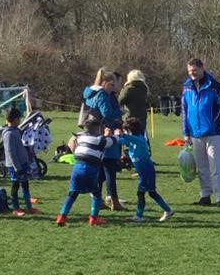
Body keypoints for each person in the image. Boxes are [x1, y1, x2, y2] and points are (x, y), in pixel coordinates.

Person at [181, 58, 220, 206]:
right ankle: (205, 195)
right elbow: (184, 110)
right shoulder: (187, 87)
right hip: (195, 133)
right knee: (201, 167)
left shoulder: (215, 86)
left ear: (202, 68)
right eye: (189, 71)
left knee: (215, 166)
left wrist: (214, 123)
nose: (192, 74)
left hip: (212, 133)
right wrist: (185, 132)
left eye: (194, 70)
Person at [54, 114, 115, 226]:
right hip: (90, 169)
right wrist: (112, 135)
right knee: (96, 194)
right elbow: (111, 141)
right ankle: (93, 218)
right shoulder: (99, 140)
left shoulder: (81, 137)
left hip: (77, 168)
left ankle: (62, 216)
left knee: (72, 194)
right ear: (97, 129)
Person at [82, 69, 125, 211]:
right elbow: (106, 113)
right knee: (109, 168)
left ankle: (97, 199)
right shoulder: (101, 94)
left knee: (100, 170)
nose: (113, 88)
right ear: (104, 83)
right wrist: (120, 112)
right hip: (105, 132)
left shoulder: (90, 93)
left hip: (93, 133)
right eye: (111, 85)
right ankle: (114, 201)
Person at [119, 116, 172, 222]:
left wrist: (120, 133)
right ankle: (168, 211)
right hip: (144, 172)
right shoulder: (133, 140)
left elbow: (126, 138)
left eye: (126, 130)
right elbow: (122, 141)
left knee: (141, 193)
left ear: (131, 131)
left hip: (147, 172)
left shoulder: (140, 139)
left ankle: (139, 216)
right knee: (151, 193)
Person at [0, 106, 37, 216]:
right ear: (15, 119)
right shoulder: (8, 134)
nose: (20, 120)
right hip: (14, 166)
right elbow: (11, 153)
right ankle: (16, 208)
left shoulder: (16, 131)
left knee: (25, 185)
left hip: (23, 164)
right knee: (15, 186)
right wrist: (17, 168)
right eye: (19, 118)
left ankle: (29, 207)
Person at [118, 70, 150, 142]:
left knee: (129, 140)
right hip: (142, 118)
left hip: (130, 118)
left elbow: (120, 101)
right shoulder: (144, 88)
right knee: (140, 139)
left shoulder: (128, 89)